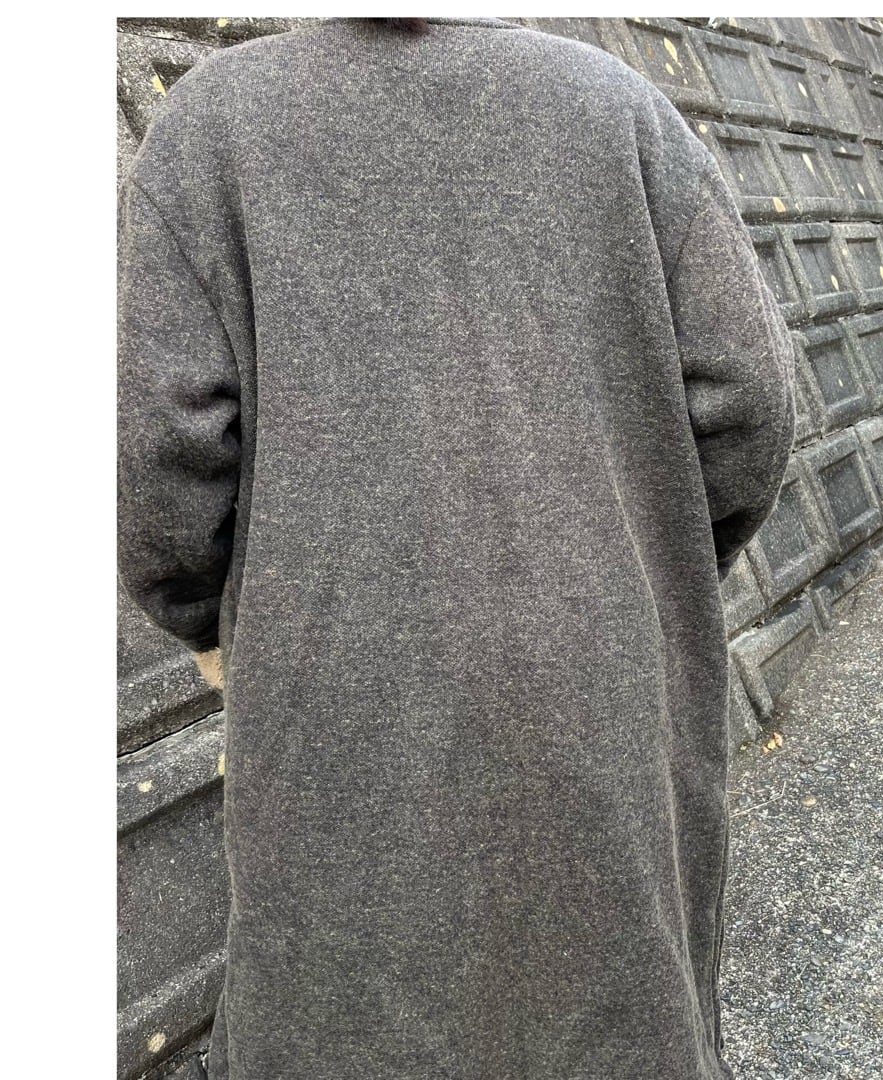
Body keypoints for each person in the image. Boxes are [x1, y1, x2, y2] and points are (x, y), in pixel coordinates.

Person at [116, 15, 796, 1080]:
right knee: (615, 1002)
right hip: (600, 679)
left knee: (341, 1005)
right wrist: (640, 570)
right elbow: (749, 401)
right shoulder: (623, 113)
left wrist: (204, 622)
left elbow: (162, 458)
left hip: (331, 694)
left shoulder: (209, 130)